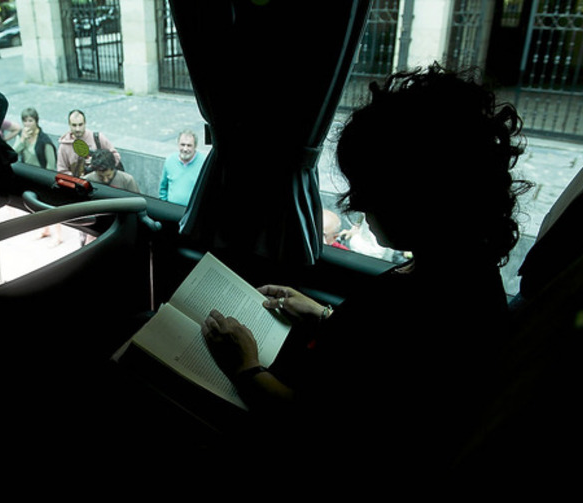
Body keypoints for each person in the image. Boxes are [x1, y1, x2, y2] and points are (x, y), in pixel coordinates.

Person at [200, 64, 533, 473]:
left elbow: (322, 429)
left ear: (420, 194)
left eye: (368, 188)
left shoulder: (444, 306)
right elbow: (375, 357)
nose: (355, 203)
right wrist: (323, 316)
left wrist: (245, 367)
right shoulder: (455, 270)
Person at [12, 107, 60, 244]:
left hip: (42, 176)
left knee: (49, 207)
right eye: (25, 121)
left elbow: (51, 164)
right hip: (29, 177)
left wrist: (47, 181)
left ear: (36, 121)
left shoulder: (44, 141)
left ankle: (58, 235)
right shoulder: (22, 136)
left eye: (30, 121)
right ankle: (45, 229)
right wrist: (22, 140)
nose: (27, 124)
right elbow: (13, 153)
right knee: (36, 207)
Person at [57, 109, 121, 176]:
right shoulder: (64, 146)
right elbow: (62, 171)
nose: (77, 129)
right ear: (69, 124)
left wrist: (100, 163)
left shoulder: (97, 138)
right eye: (74, 125)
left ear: (85, 123)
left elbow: (116, 156)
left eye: (80, 124)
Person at [158, 129, 206, 205]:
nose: (185, 149)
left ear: (195, 146)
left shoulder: (204, 162)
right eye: (182, 145)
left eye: (189, 145)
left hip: (194, 210)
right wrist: (164, 205)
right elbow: (163, 187)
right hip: (171, 208)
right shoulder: (170, 160)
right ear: (178, 144)